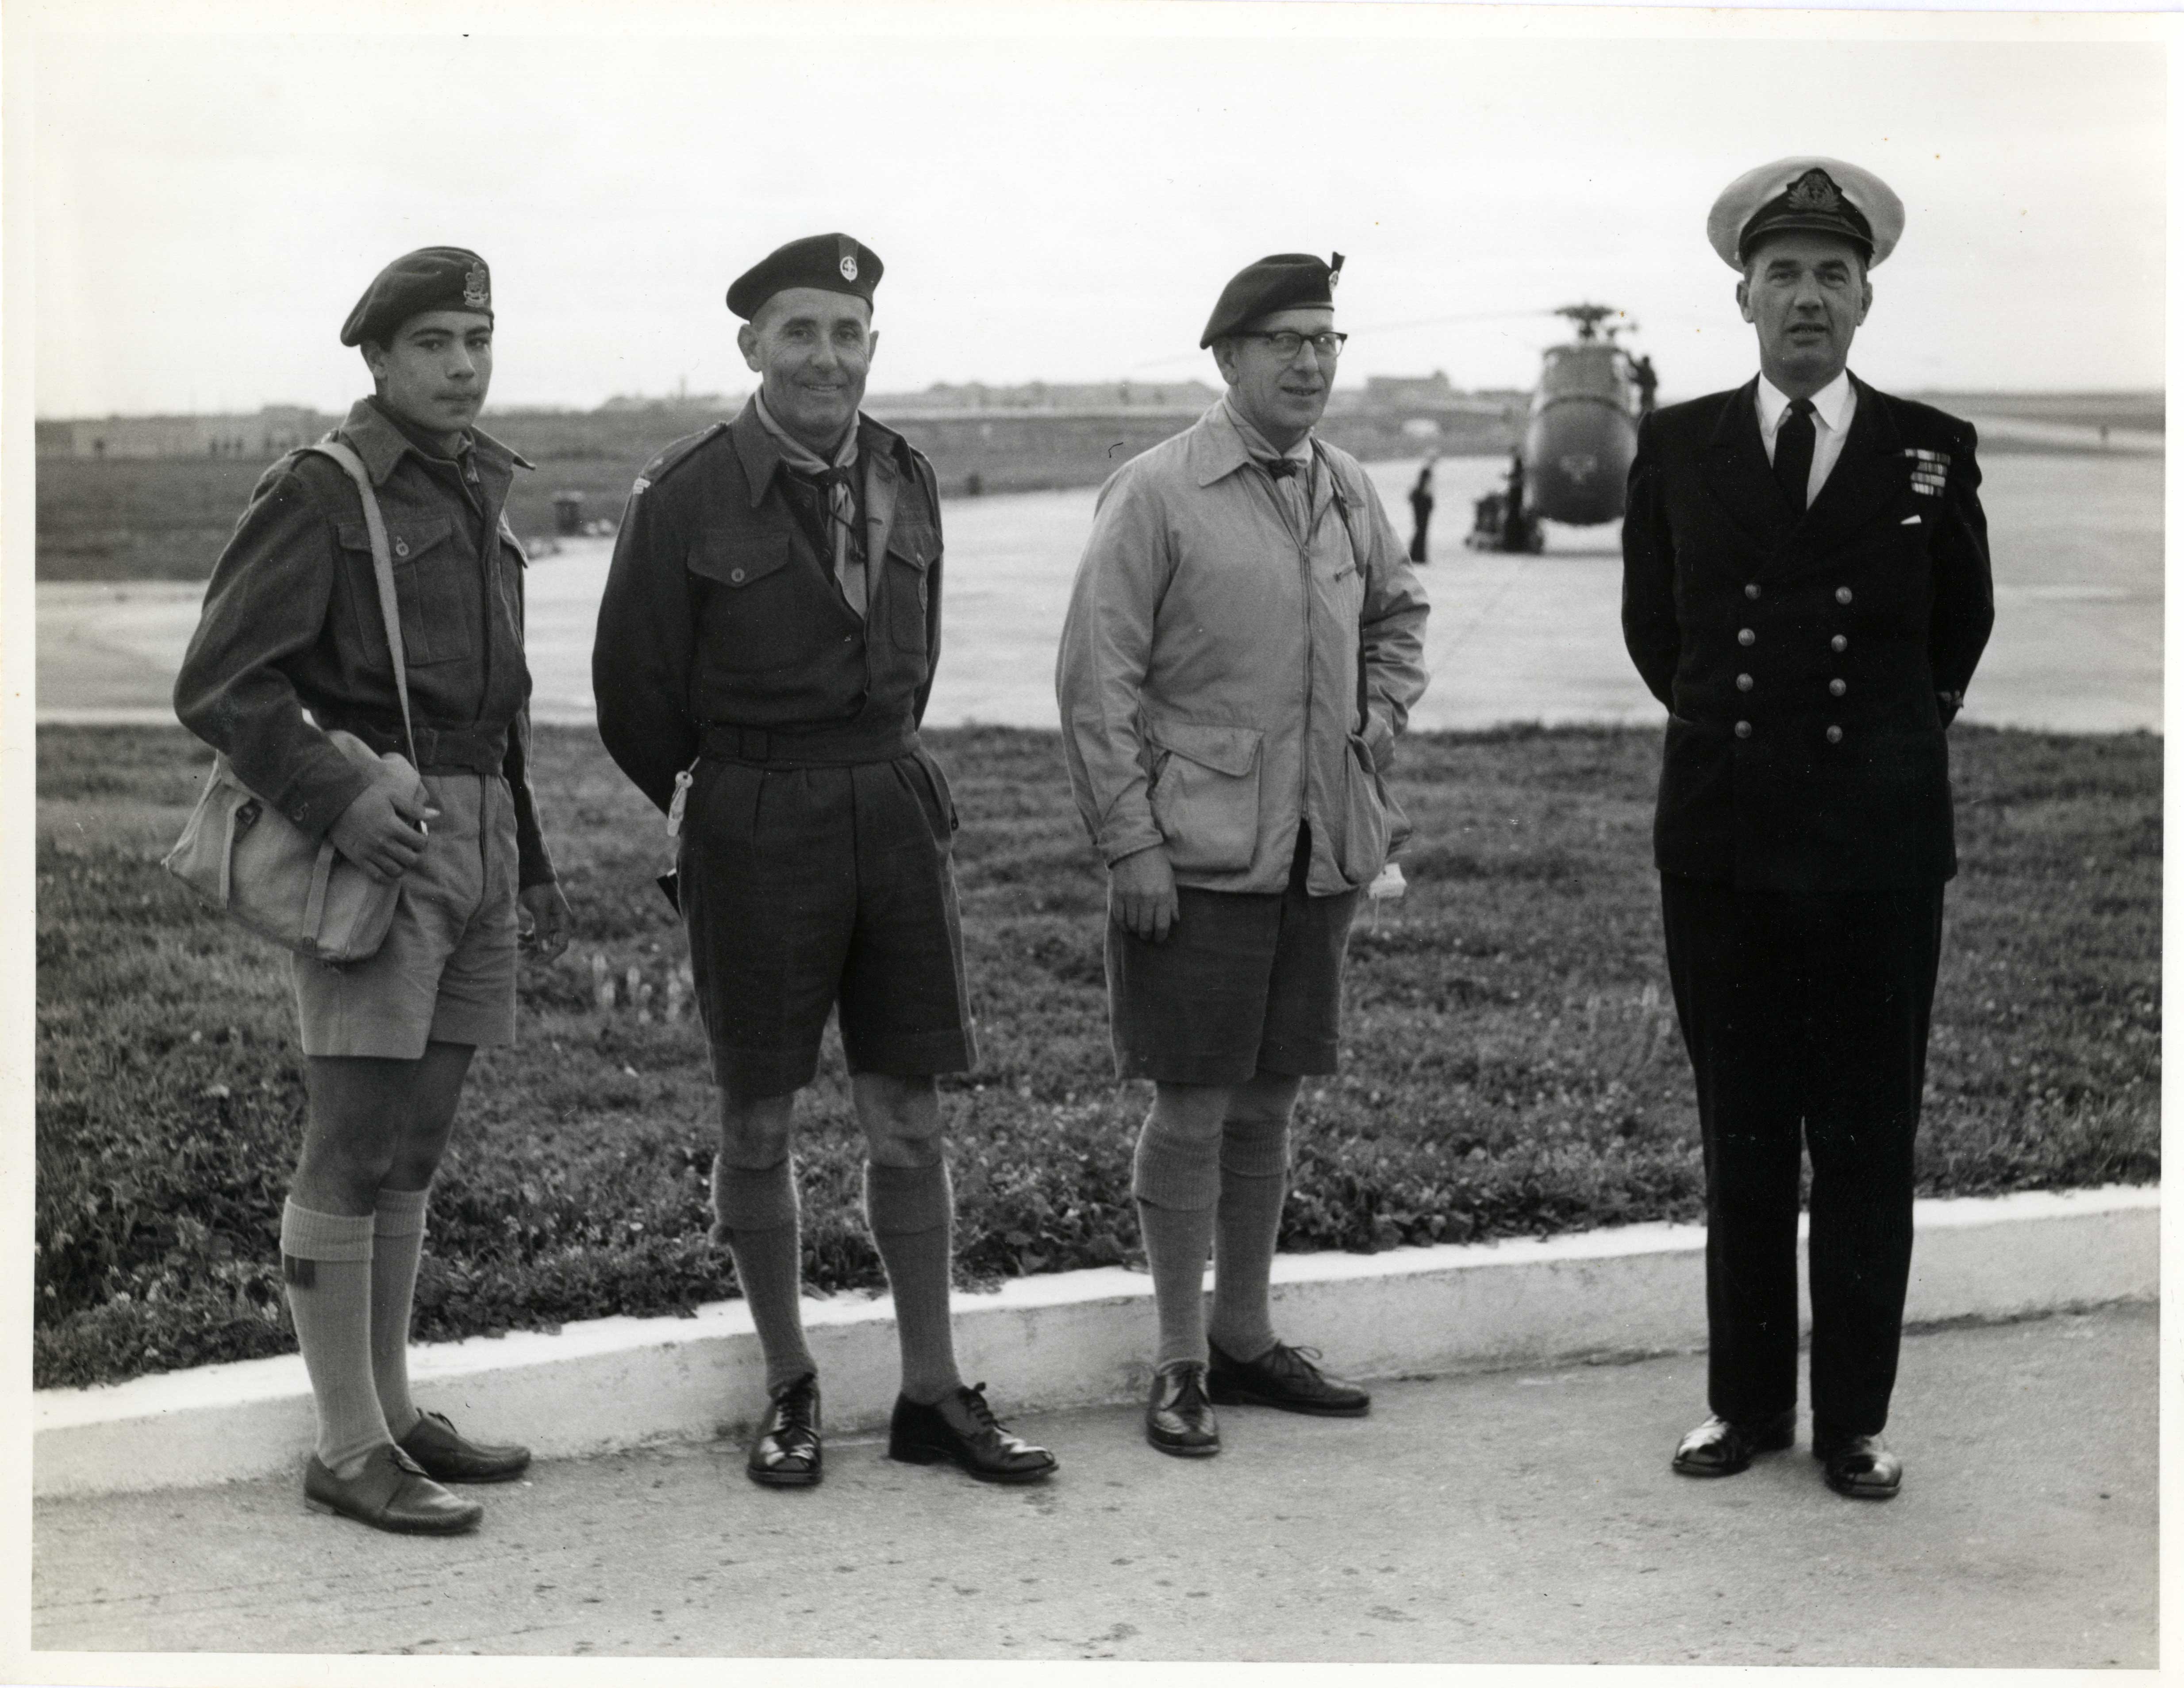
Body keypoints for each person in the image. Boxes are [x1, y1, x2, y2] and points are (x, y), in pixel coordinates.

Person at [591, 234, 1056, 1490]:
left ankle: (930, 1391)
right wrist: (728, 801)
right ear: (752, 349)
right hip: (755, 814)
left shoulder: (908, 474)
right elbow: (633, 694)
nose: (825, 357)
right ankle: (789, 1382)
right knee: (759, 1117)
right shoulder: (685, 494)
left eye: (847, 335)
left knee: (909, 1114)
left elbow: (916, 648)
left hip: (894, 805)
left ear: (871, 348)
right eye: (799, 333)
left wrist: (866, 766)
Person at [174, 247, 572, 1534]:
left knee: (418, 1140)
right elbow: (222, 684)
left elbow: (494, 705)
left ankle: (392, 1414)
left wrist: (527, 853)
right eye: (437, 344)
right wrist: (337, 797)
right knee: (350, 1143)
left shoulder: (474, 483)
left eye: (478, 339)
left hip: (478, 842)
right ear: (380, 359)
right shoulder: (324, 492)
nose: (463, 366)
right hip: (374, 845)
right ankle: (345, 1447)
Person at [1621, 159, 1994, 1500]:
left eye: (1831, 274)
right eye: (1782, 272)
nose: (1805, 298)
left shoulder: (1927, 449)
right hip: (1722, 848)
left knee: (1861, 1144)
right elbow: (1657, 637)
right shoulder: (1674, 448)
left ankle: (1851, 1424)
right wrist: (1753, 741)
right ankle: (1740, 1410)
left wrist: (1878, 747)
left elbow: (1959, 629)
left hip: (1877, 856)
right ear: (1741, 295)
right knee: (1740, 1136)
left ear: (1864, 300)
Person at [1056, 252, 1428, 1458]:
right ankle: (1175, 1361)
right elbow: (1095, 680)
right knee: (1196, 1102)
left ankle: (1246, 1339)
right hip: (1197, 854)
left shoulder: (1348, 486)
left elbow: (1398, 616)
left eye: (1327, 341)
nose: (1312, 363)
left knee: (1271, 1100)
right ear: (1227, 359)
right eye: (1286, 343)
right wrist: (1132, 845)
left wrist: (1375, 723)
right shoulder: (1157, 491)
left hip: (1320, 851)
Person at [1407, 460, 1436, 563]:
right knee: (1421, 531)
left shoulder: (1421, 482)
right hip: (1423, 508)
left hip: (1421, 507)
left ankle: (1416, 555)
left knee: (1420, 531)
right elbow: (1426, 493)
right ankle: (1418, 556)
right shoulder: (1426, 478)